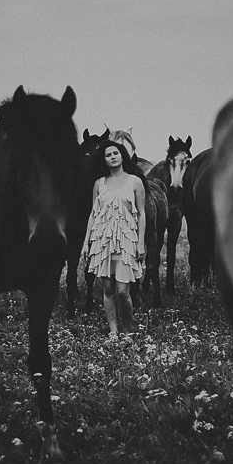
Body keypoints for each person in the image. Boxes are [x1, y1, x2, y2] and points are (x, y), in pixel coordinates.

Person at [81, 140, 146, 340]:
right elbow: (93, 214)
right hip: (103, 241)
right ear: (104, 161)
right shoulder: (99, 184)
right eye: (108, 155)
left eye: (115, 153)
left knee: (122, 291)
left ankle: (128, 330)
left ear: (122, 155)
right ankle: (113, 332)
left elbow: (142, 214)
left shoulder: (135, 182)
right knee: (107, 288)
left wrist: (141, 242)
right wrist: (86, 242)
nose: (112, 157)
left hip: (126, 240)